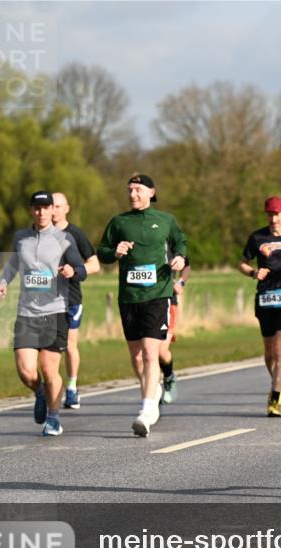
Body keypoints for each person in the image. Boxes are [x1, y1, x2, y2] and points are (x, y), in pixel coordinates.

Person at [96, 174, 187, 437]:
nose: (133, 194)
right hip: (129, 298)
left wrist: (179, 257)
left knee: (150, 352)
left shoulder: (166, 220)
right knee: (136, 357)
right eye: (130, 190)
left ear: (151, 192)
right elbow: (101, 251)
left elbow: (181, 242)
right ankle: (153, 390)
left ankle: (147, 410)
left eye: (138, 190)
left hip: (158, 294)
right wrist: (115, 252)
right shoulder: (119, 222)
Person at [0, 191, 87, 436]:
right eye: (37, 208)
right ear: (31, 210)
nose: (42, 212)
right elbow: (14, 264)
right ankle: (39, 393)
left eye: (46, 208)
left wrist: (72, 270)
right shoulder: (21, 238)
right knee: (26, 371)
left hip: (55, 311)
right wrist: (4, 282)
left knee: (49, 369)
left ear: (52, 211)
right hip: (26, 312)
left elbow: (81, 268)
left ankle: (54, 419)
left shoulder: (64, 238)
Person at [240, 196, 281, 417]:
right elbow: (242, 263)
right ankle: (278, 380)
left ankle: (275, 397)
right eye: (270, 214)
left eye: (277, 213)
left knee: (279, 348)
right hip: (265, 296)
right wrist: (254, 273)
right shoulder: (257, 237)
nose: (273, 218)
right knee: (268, 352)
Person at [51, 192, 100, 410]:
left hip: (70, 298)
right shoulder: (39, 233)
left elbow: (95, 264)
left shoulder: (75, 234)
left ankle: (71, 388)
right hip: (45, 300)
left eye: (58, 206)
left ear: (67, 208)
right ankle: (51, 389)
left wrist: (75, 271)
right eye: (51, 206)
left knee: (70, 345)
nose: (54, 210)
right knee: (49, 347)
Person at [159, 255, 190, 404]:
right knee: (145, 352)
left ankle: (169, 377)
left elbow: (187, 265)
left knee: (161, 351)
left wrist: (181, 282)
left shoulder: (172, 239)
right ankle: (152, 390)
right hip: (145, 301)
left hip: (169, 302)